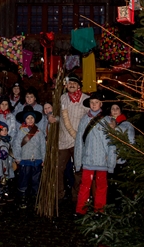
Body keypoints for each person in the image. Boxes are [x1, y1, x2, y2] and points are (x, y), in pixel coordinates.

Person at [48, 74, 89, 202]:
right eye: (70, 83)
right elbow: (60, 116)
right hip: (63, 140)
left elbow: (91, 117)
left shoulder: (86, 99)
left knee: (79, 170)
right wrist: (53, 118)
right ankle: (60, 193)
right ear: (66, 85)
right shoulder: (62, 98)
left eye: (75, 83)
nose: (72, 85)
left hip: (79, 141)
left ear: (79, 86)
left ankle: (76, 195)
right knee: (58, 168)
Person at [74, 92, 116, 215]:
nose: (94, 105)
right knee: (84, 186)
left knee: (101, 187)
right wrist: (78, 161)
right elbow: (79, 141)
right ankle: (81, 209)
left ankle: (100, 209)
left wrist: (111, 162)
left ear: (101, 104)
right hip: (88, 159)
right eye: (92, 102)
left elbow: (111, 142)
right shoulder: (84, 120)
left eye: (96, 102)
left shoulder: (108, 120)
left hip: (102, 159)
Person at [13, 105, 46, 210]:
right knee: (24, 180)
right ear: (24, 119)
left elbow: (43, 146)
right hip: (24, 160)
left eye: (32, 118)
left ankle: (35, 199)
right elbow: (16, 145)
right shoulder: (21, 131)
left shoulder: (39, 132)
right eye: (28, 118)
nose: (30, 120)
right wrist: (18, 157)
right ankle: (23, 199)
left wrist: (44, 159)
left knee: (35, 181)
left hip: (37, 160)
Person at [106, 101, 135, 205]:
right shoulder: (107, 122)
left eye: (117, 109)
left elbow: (129, 140)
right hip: (109, 160)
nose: (114, 111)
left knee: (120, 186)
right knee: (111, 186)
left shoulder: (126, 124)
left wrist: (114, 129)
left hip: (121, 160)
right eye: (112, 109)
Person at [0, 121, 15, 202]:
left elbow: (11, 152)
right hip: (0, 165)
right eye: (2, 130)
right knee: (1, 181)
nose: (4, 132)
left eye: (5, 130)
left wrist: (12, 161)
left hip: (7, 164)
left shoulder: (8, 141)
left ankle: (6, 193)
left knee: (6, 180)